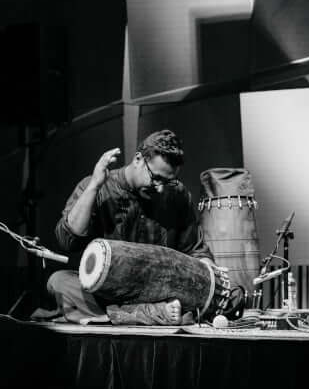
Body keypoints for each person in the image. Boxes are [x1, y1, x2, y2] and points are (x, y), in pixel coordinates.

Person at [47, 130, 217, 325]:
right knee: (59, 282)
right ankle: (146, 315)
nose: (160, 188)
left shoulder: (177, 194)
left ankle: (131, 315)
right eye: (156, 178)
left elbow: (194, 248)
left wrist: (210, 273)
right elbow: (67, 241)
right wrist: (94, 185)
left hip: (157, 294)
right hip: (106, 294)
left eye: (167, 181)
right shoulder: (99, 187)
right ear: (138, 159)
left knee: (193, 296)